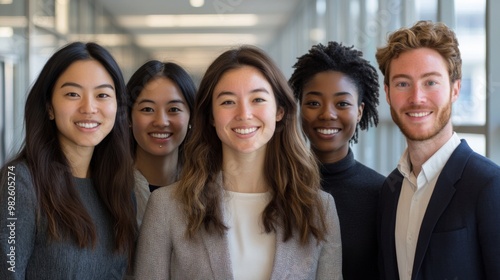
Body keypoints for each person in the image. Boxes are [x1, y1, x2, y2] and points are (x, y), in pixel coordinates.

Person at [134, 45, 342, 279]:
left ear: (279, 110)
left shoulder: (319, 209)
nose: (244, 113)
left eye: (257, 99)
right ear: (211, 116)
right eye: (228, 102)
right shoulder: (166, 206)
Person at [0, 42, 137, 279]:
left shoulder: (119, 187)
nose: (89, 108)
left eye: (102, 95)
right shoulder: (17, 181)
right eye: (72, 94)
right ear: (49, 107)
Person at [375, 20, 500, 280]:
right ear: (387, 93)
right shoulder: (390, 190)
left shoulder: (489, 184)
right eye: (402, 84)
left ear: (456, 88)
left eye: (430, 82)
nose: (417, 98)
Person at [289, 41, 384, 279]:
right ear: (300, 108)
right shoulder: (278, 184)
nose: (327, 114)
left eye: (342, 103)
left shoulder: (383, 193)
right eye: (313, 103)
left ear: (360, 111)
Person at [127, 60, 196, 226]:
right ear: (128, 117)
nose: (161, 122)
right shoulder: (107, 188)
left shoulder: (207, 190)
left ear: (191, 117)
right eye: (147, 109)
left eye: (174, 109)